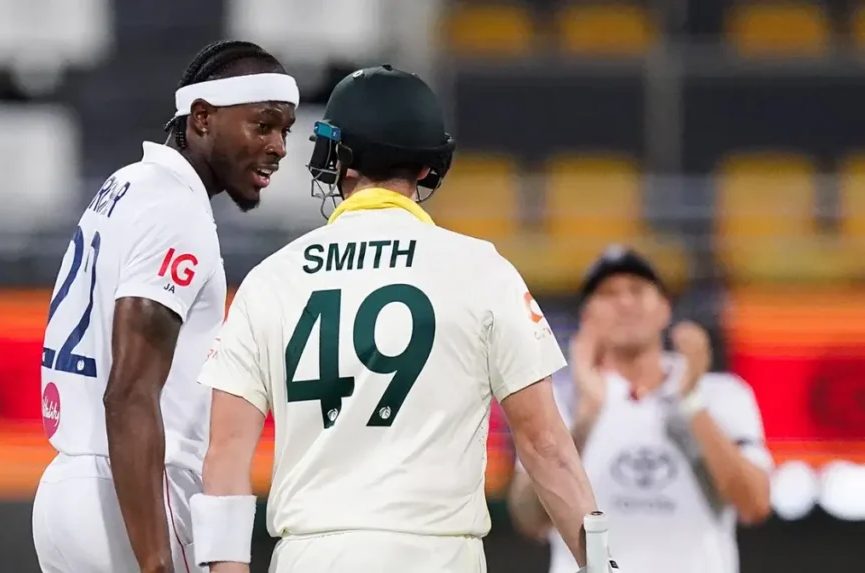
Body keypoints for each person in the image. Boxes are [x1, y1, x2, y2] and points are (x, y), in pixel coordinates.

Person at [191, 65, 606, 573]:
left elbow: (225, 456)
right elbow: (545, 447)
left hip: (311, 555)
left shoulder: (269, 280)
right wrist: (604, 563)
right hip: (439, 554)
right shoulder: (482, 270)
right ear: (430, 168)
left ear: (335, 160)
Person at [31, 40, 298, 573]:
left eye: (285, 130)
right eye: (262, 125)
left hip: (66, 491)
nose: (279, 147)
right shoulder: (177, 208)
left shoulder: (126, 183)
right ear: (202, 118)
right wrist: (154, 560)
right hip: (129, 497)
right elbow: (129, 392)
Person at [507, 246, 773, 573]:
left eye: (638, 290)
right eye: (608, 293)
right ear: (587, 316)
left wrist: (690, 403)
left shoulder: (720, 393)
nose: (625, 302)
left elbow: (755, 505)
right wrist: (586, 419)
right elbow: (528, 519)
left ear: (665, 308)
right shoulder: (557, 398)